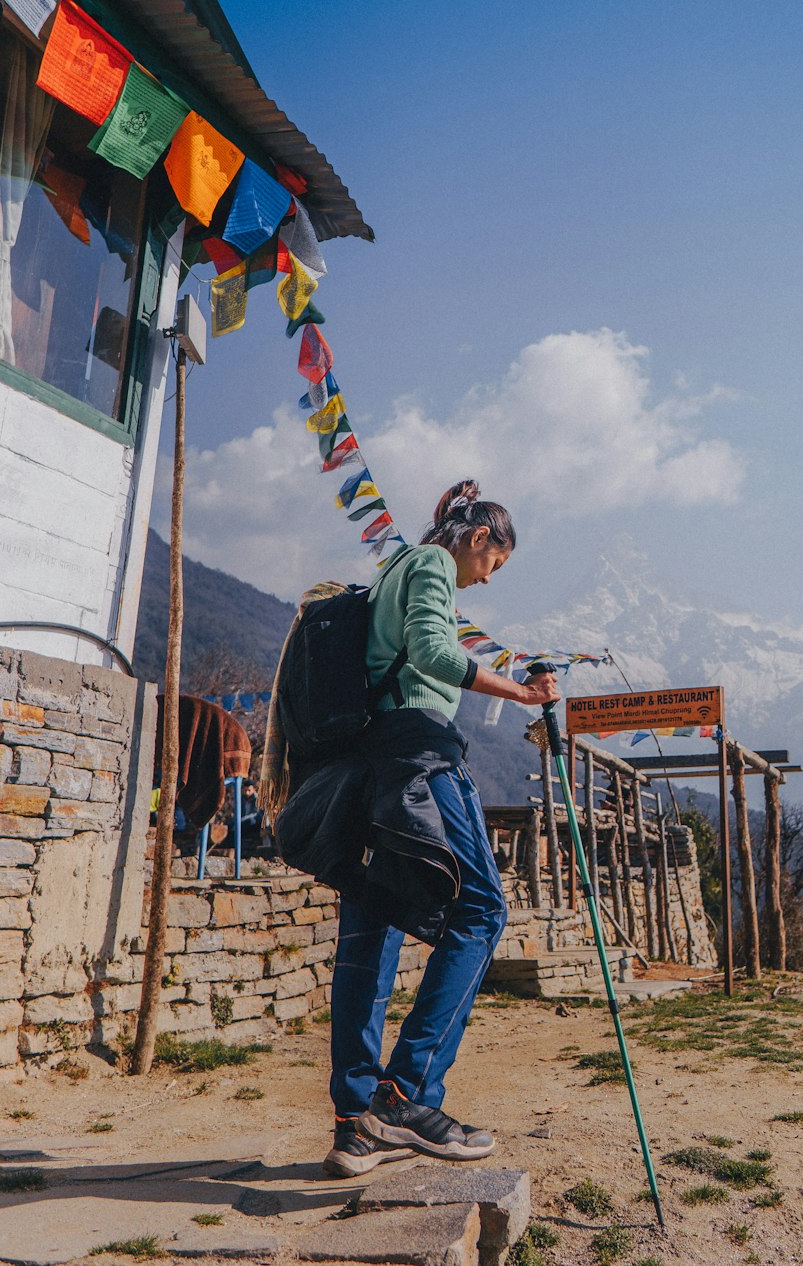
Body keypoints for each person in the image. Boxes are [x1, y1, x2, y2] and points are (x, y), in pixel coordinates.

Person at [323, 480, 560, 1178]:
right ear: (480, 538)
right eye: (495, 562)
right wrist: (519, 691)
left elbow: (404, 635)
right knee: (483, 909)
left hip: (367, 762)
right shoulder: (430, 567)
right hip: (419, 754)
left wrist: (437, 526)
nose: (487, 579)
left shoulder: (399, 565)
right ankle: (406, 1096)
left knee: (371, 929)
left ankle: (356, 1125)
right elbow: (430, 649)